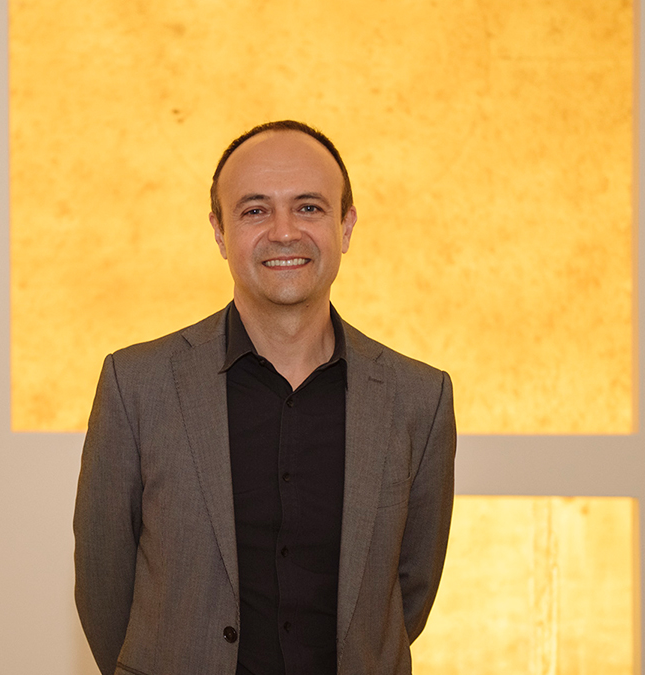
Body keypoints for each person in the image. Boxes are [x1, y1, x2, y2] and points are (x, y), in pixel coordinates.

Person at [74, 120, 456, 675]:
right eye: (255, 210)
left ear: (345, 227)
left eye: (309, 207)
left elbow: (406, 595)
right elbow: (104, 586)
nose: (283, 232)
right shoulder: (136, 386)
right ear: (219, 232)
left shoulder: (419, 399)